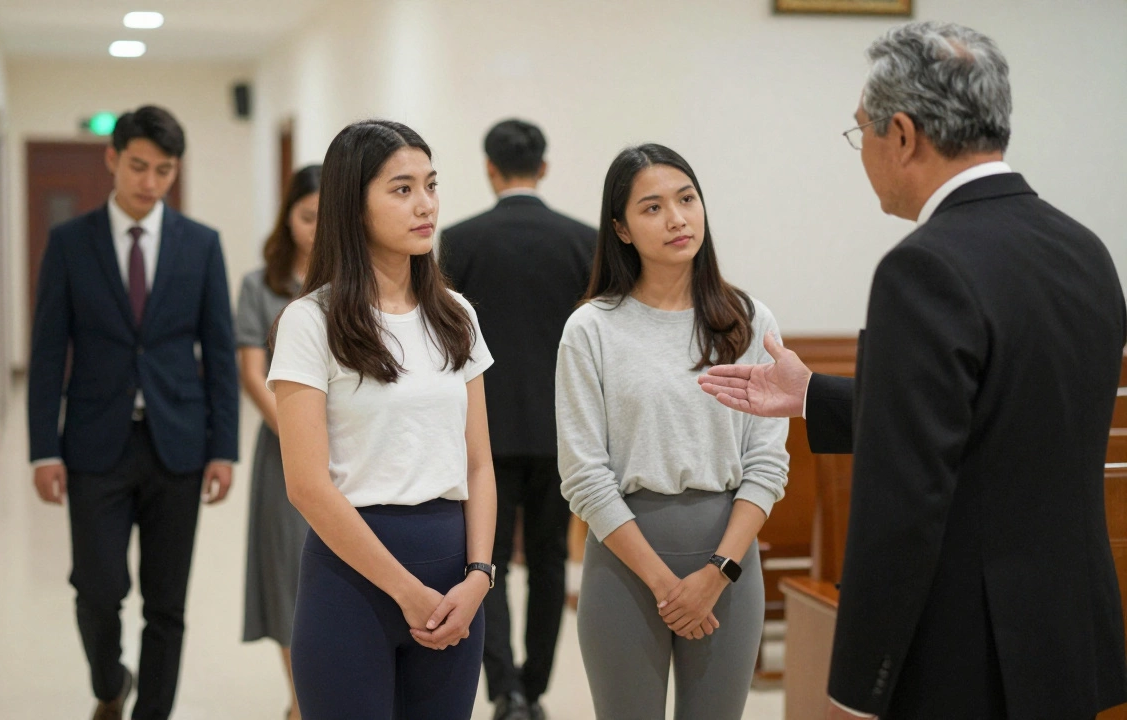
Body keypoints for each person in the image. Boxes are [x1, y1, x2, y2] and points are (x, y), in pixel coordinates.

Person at [698, 21, 1127, 720]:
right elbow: (1001, 416)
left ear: (901, 134)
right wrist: (813, 396)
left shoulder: (924, 267)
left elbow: (900, 507)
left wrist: (857, 688)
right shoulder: (1084, 250)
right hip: (1068, 637)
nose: (862, 151)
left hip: (970, 656)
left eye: (860, 130)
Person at [268, 119, 496, 719]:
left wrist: (479, 576)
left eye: (431, 185)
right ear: (354, 204)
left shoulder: (457, 316)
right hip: (351, 583)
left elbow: (478, 463)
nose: (426, 205)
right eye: (402, 189)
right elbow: (306, 485)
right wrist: (405, 590)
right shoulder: (310, 322)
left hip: (455, 583)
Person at [556, 143, 789, 719]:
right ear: (621, 229)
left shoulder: (748, 320)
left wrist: (718, 572)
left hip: (729, 561)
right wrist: (665, 584)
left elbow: (767, 463)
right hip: (624, 563)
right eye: (653, 207)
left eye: (687, 200)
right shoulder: (591, 329)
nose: (677, 219)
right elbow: (584, 475)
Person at [28, 105, 239, 720]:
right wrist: (43, 449)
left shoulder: (202, 244)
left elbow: (219, 352)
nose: (150, 182)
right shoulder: (71, 243)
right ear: (112, 159)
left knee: (166, 602)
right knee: (97, 589)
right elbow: (48, 352)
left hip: (179, 443)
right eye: (139, 166)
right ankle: (108, 679)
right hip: (95, 443)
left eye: (164, 170)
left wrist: (224, 447)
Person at [438, 118, 595, 720]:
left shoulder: (459, 241)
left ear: (489, 168)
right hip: (562, 431)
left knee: (489, 559)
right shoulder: (582, 241)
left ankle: (504, 690)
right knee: (552, 559)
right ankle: (536, 686)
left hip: (487, 431)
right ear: (544, 167)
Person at [237, 164, 321, 720]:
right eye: (307, 217)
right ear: (287, 217)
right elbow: (252, 372)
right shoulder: (260, 286)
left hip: (353, 453)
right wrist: (301, 436)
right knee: (289, 577)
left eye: (326, 218)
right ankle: (301, 701)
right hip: (285, 450)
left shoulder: (357, 280)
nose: (316, 230)